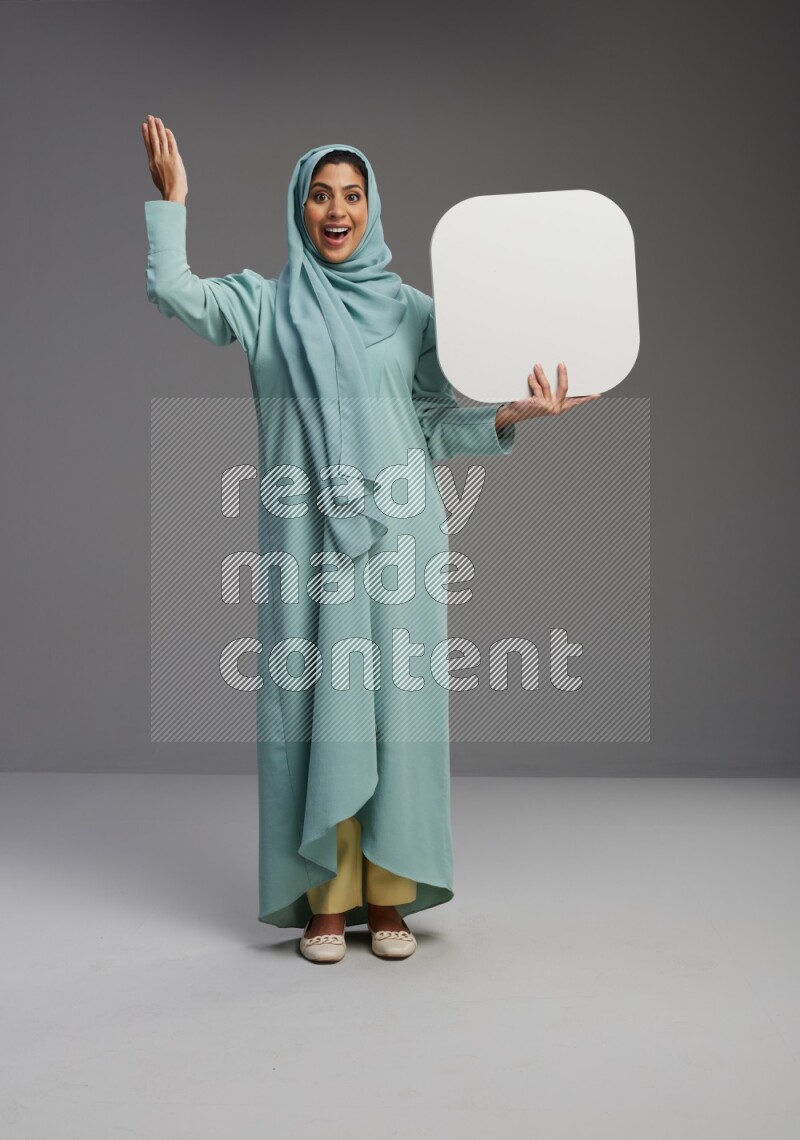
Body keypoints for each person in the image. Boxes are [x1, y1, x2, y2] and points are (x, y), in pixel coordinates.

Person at [141, 115, 600, 963]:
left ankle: (389, 896)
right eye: (321, 195)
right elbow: (177, 293)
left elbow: (432, 424)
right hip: (305, 546)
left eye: (352, 195)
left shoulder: (414, 311)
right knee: (316, 715)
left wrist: (512, 415)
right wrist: (172, 205)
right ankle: (327, 897)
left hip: (400, 541)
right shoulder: (263, 304)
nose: (337, 209)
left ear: (373, 207)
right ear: (300, 207)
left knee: (397, 715)